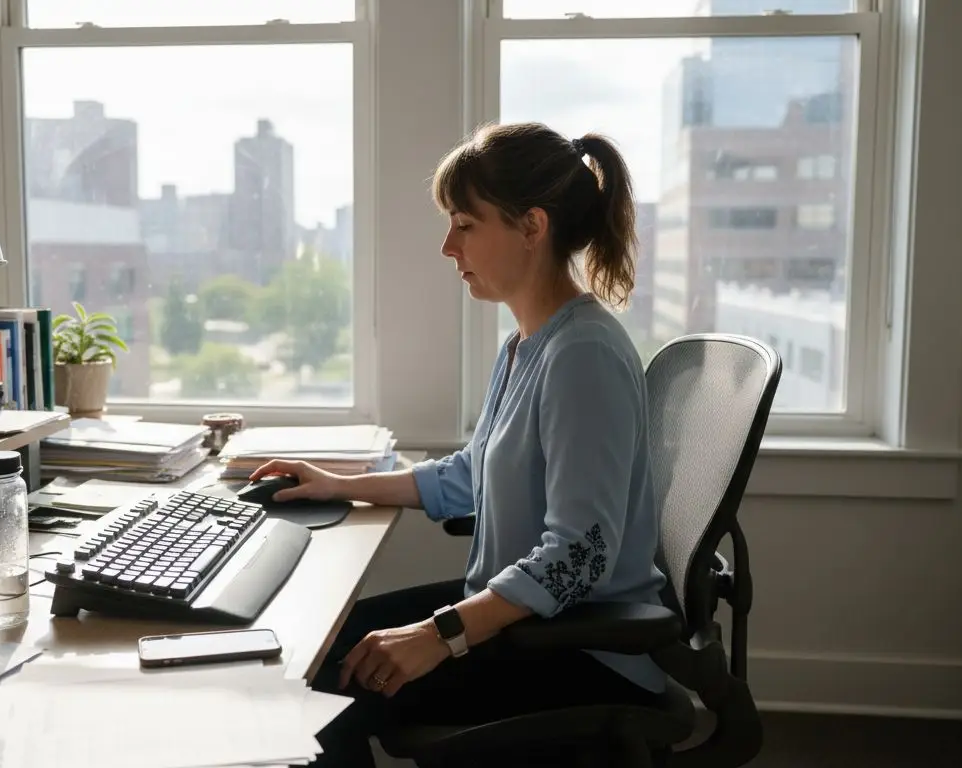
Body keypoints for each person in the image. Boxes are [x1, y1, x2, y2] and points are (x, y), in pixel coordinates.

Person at [248, 122, 667, 766]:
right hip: (524, 621)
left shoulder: (583, 355)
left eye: (465, 224)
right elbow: (471, 475)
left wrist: (438, 635)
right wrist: (337, 484)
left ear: (532, 226)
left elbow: (579, 555)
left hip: (576, 650)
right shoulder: (530, 343)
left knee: (319, 689)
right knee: (317, 641)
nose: (448, 246)